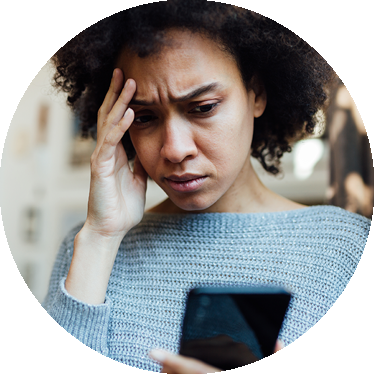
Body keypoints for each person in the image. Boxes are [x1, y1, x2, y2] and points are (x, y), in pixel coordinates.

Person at [1, 0, 373, 373]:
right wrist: (100, 238)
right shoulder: (90, 250)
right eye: (145, 117)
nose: (175, 149)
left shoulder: (349, 251)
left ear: (256, 93)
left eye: (203, 107)